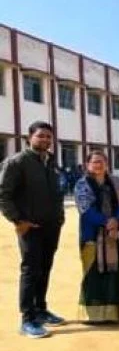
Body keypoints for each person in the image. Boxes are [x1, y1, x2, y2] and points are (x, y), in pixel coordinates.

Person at [0, 122, 66, 338]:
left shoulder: (51, 162)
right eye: (41, 136)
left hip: (51, 226)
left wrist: (59, 217)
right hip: (30, 227)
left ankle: (40, 309)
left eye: (48, 136)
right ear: (29, 138)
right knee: (31, 270)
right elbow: (4, 195)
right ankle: (27, 319)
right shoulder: (17, 162)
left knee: (45, 268)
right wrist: (18, 220)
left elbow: (56, 193)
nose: (45, 140)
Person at [74, 150, 119, 324]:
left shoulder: (117, 182)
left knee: (117, 272)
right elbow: (85, 209)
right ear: (87, 165)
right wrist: (106, 222)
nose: (98, 165)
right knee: (93, 274)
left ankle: (116, 313)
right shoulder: (82, 184)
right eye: (94, 162)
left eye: (101, 161)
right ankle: (95, 315)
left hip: (116, 235)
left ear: (107, 164)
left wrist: (116, 220)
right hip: (92, 236)